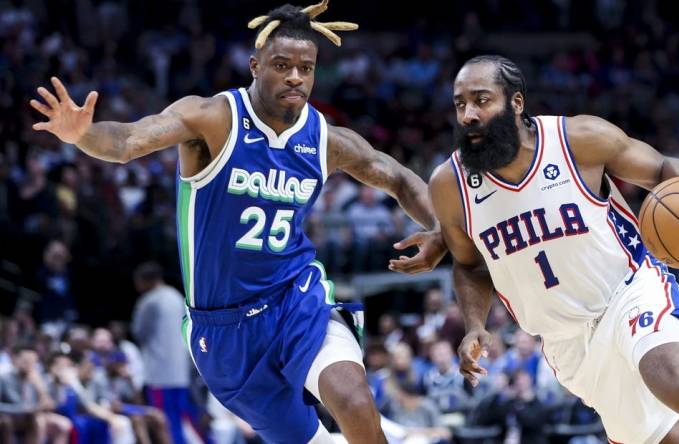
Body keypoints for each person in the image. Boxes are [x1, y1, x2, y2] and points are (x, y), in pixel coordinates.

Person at [30, 1, 445, 443]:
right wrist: (82, 135)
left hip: (294, 298)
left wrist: (440, 229)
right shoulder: (213, 119)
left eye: (306, 67)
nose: (295, 77)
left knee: (355, 402)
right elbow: (129, 140)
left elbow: (400, 178)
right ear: (255, 65)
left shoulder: (323, 138)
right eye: (282, 65)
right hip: (222, 330)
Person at [428, 54, 679, 443]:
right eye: (460, 104)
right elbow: (470, 266)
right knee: (669, 437)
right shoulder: (450, 185)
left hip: (627, 290)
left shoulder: (578, 140)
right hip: (566, 341)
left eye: (482, 100)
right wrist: (475, 324)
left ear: (516, 102)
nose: (468, 115)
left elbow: (664, 168)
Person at [131, 262, 197, 444]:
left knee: (164, 423)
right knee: (181, 421)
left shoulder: (149, 300)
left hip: (159, 374)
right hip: (181, 372)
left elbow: (139, 332)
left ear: (145, 281)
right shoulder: (178, 297)